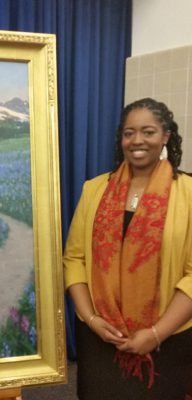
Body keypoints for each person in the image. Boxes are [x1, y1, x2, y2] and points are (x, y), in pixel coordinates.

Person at [63, 98, 192, 399]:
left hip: (166, 339)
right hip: (100, 337)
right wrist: (92, 320)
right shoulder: (94, 189)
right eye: (129, 132)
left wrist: (157, 334)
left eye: (148, 132)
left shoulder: (188, 194)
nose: (137, 141)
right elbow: (75, 259)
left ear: (165, 137)